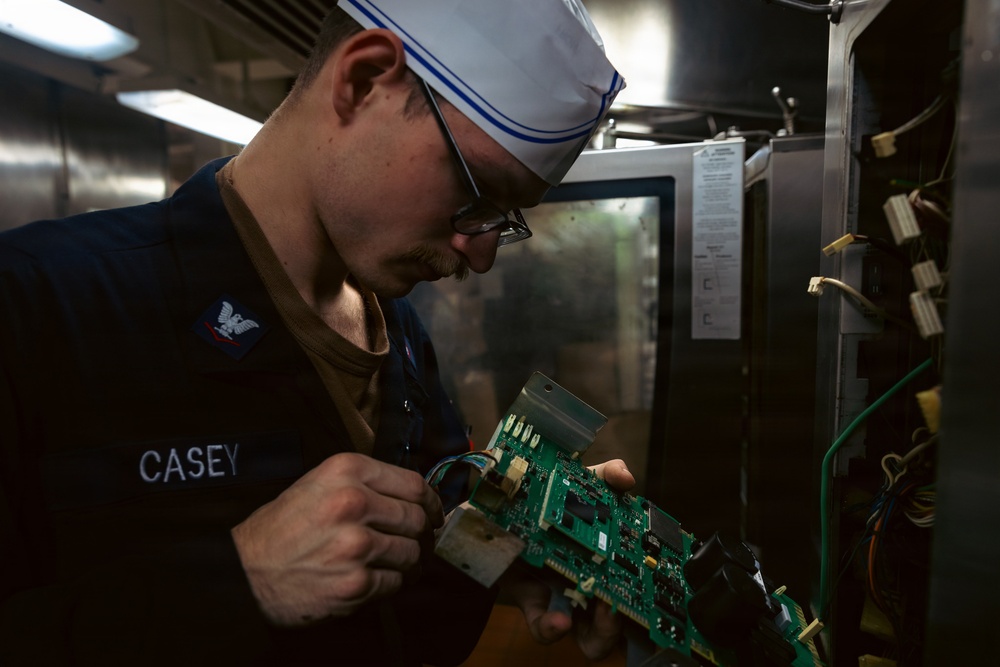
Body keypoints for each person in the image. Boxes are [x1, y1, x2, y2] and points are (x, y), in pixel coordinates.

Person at [0, 0, 630, 664]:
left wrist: (509, 545)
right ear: (362, 81)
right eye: (478, 194)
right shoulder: (37, 307)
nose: (481, 254)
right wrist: (243, 580)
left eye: (505, 219)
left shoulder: (404, 335)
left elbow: (400, 581)